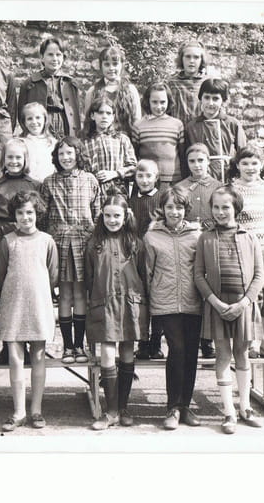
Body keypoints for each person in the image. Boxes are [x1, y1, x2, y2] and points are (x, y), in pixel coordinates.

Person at [194, 186, 264, 434]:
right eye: (216, 207)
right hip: (218, 307)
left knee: (242, 354)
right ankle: (229, 412)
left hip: (243, 306)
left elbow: (259, 276)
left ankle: (245, 407)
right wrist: (216, 302)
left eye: (226, 207)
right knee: (223, 355)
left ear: (236, 208)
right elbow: (199, 275)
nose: (220, 212)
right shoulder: (205, 238)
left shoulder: (250, 237)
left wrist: (244, 303)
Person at [0, 190, 58, 431]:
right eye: (20, 213)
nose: (25, 217)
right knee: (15, 358)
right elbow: (1, 275)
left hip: (38, 304)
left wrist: (38, 293)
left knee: (39, 356)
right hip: (14, 304)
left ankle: (36, 410)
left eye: (30, 212)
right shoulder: (7, 241)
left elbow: (52, 275)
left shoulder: (47, 241)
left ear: (37, 213)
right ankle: (19, 411)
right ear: (14, 215)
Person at [85, 195, 148, 430]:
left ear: (126, 216)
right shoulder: (94, 244)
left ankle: (123, 408)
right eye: (108, 215)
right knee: (107, 352)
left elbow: (143, 275)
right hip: (104, 303)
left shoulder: (135, 243)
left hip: (130, 304)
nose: (112, 220)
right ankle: (110, 412)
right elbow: (89, 278)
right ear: (102, 216)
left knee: (128, 351)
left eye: (117, 216)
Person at [143, 187, 203, 430]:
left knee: (191, 353)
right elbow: (147, 272)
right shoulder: (151, 236)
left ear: (186, 209)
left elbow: (201, 269)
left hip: (192, 301)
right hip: (164, 302)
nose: (174, 212)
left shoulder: (196, 235)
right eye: (170, 207)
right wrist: (149, 303)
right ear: (162, 208)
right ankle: (172, 408)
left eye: (179, 207)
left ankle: (185, 406)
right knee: (176, 350)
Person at [40, 136, 100, 364]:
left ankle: (79, 346)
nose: (66, 157)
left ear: (78, 155)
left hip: (84, 242)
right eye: (62, 153)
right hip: (60, 243)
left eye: (70, 153)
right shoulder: (49, 182)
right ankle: (67, 347)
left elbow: (97, 214)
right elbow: (43, 216)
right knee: (64, 295)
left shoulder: (90, 180)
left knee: (80, 294)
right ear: (56, 157)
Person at [228, 147, 264, 362]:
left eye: (254, 163)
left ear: (262, 165)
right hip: (243, 247)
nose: (250, 168)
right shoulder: (231, 190)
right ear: (237, 165)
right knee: (249, 296)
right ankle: (248, 344)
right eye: (245, 163)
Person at [175, 143, 221, 359]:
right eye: (192, 161)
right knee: (192, 286)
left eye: (201, 160)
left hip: (212, 242)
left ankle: (208, 339)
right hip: (189, 243)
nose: (197, 165)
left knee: (210, 287)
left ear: (208, 161)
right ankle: (191, 336)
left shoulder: (219, 187)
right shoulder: (181, 187)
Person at [129, 160, 164, 360]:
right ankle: (143, 342)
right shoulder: (132, 200)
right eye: (140, 176)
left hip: (156, 255)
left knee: (156, 298)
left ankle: (156, 343)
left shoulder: (161, 198)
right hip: (137, 255)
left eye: (148, 176)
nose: (144, 180)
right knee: (141, 299)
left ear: (156, 177)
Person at [182, 78, 246, 182]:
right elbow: (185, 159)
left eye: (215, 99)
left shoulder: (232, 124)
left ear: (223, 101)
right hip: (200, 179)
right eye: (206, 97)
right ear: (200, 98)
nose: (210, 103)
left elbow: (243, 154)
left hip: (227, 177)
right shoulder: (191, 127)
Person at [18, 36, 82, 138]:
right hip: (41, 131)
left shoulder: (70, 83)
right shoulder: (30, 84)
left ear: (63, 57)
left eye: (58, 55)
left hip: (65, 129)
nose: (54, 59)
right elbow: (21, 116)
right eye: (50, 55)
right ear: (42, 57)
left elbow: (76, 114)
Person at [131, 81, 185, 189]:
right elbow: (134, 156)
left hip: (173, 180)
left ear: (168, 101)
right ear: (148, 102)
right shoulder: (138, 126)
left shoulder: (177, 124)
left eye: (162, 102)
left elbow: (182, 154)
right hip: (147, 181)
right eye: (154, 102)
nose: (159, 106)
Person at [0, 138, 42, 243]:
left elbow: (40, 217)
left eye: (18, 157)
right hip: (2, 235)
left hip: (28, 234)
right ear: (4, 159)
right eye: (10, 157)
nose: (14, 161)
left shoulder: (35, 186)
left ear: (25, 159)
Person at [82, 95, 137, 197]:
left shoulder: (122, 139)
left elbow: (133, 167)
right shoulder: (84, 141)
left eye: (108, 113)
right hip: (92, 191)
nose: (104, 116)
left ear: (113, 117)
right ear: (92, 116)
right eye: (100, 112)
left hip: (117, 190)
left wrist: (115, 173)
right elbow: (80, 169)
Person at [83, 45, 141, 138]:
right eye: (107, 64)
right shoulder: (93, 91)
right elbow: (88, 122)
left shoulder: (130, 90)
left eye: (115, 64)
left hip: (127, 141)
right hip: (100, 141)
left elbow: (137, 120)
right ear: (101, 66)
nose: (111, 68)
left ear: (121, 65)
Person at [167, 40, 208, 128]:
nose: (191, 61)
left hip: (201, 130)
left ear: (201, 60)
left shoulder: (208, 82)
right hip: (177, 130)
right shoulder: (171, 83)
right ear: (181, 58)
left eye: (196, 57)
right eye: (188, 57)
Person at [18, 101, 57, 183]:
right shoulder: (20, 143)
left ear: (45, 119)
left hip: (48, 184)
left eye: (38, 117)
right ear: (24, 122)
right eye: (29, 118)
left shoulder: (53, 143)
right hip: (27, 185)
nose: (34, 122)